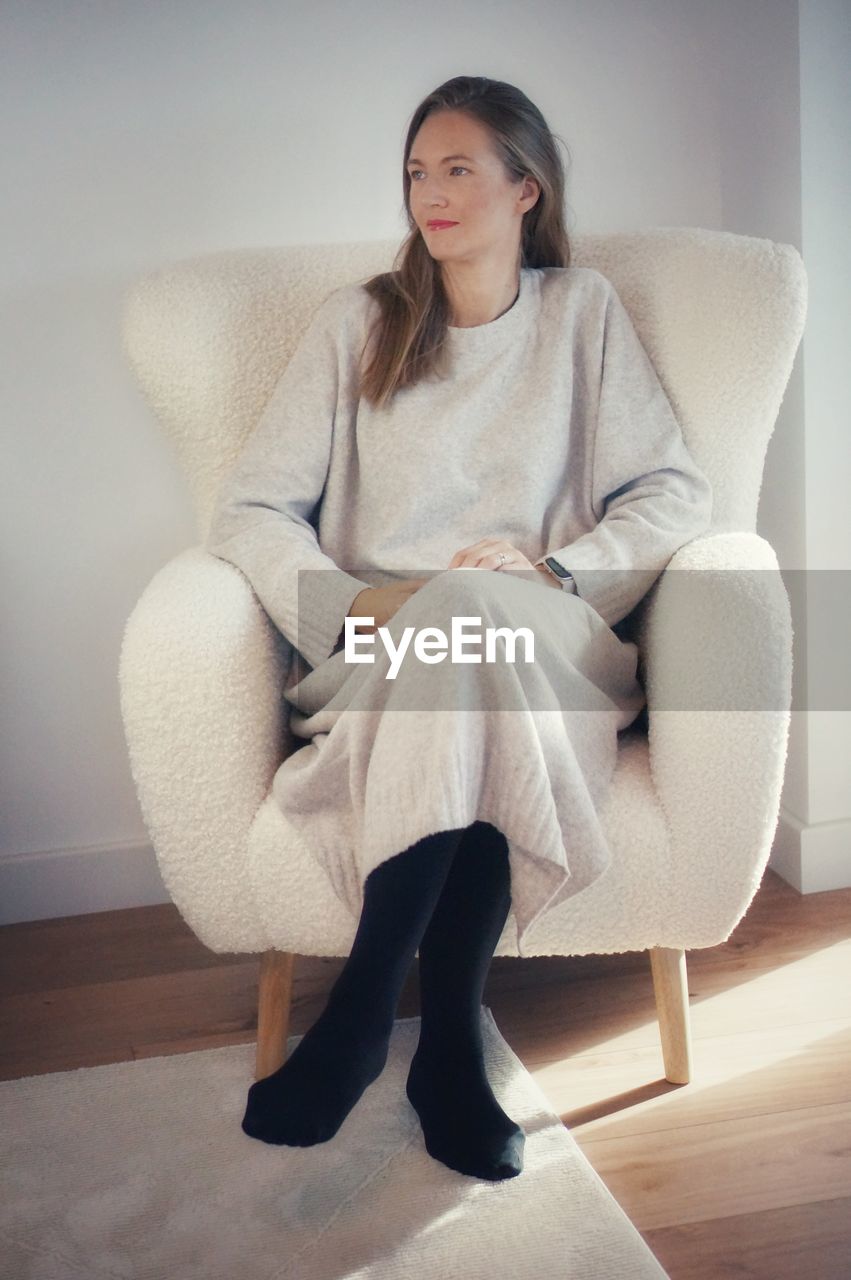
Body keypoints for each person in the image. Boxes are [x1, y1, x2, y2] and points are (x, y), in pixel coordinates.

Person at [205, 75, 713, 1182]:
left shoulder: (581, 314)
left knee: (481, 616)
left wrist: (556, 565)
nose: (428, 194)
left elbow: (671, 491)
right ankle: (443, 1053)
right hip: (389, 653)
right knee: (457, 630)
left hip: (543, 635)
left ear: (524, 187)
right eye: (413, 172)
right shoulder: (361, 323)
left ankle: (357, 1021)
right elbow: (249, 508)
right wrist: (349, 605)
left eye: (457, 168)